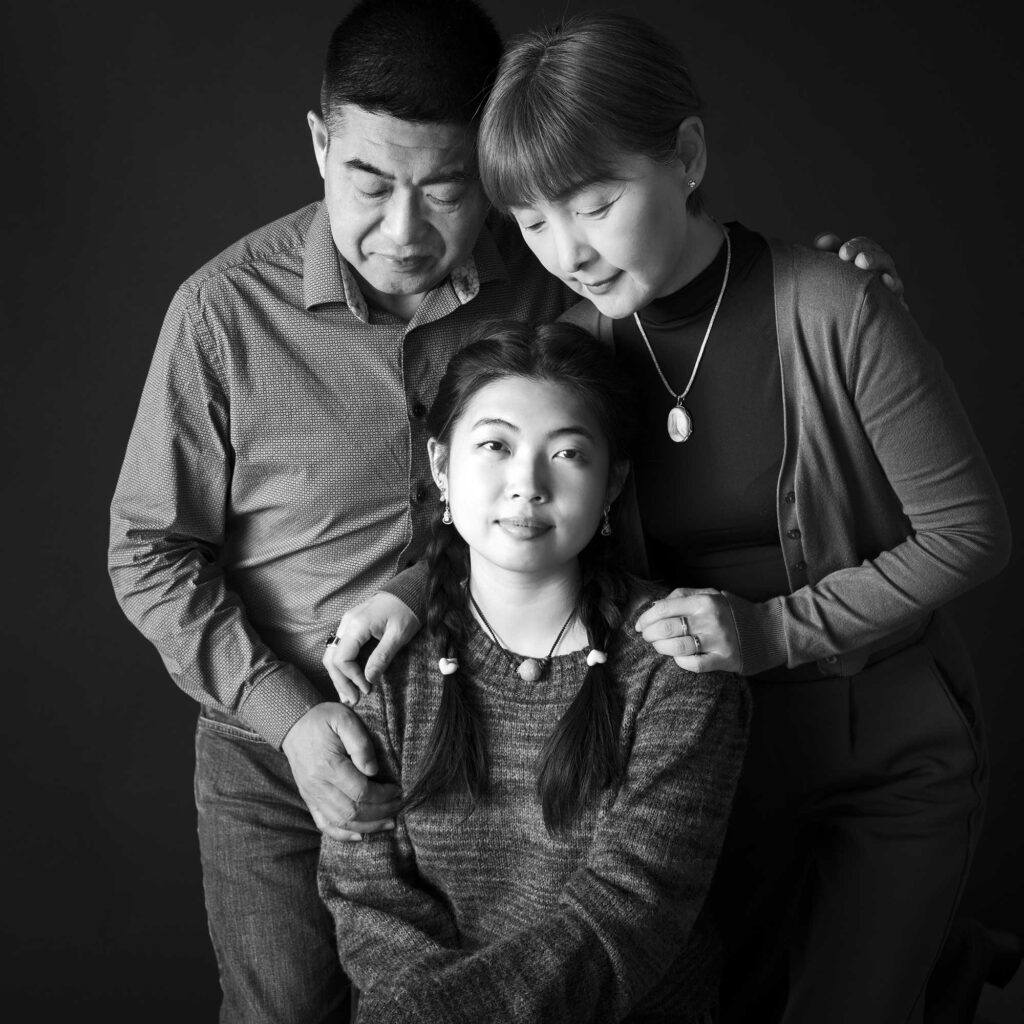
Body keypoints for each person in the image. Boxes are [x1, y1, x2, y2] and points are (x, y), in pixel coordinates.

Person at [107, 0, 902, 1018]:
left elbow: (707, 299)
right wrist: (293, 717)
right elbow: (148, 554)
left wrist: (847, 300)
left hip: (491, 731)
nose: (402, 229)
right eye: (368, 182)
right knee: (287, 1007)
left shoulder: (559, 279)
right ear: (318, 144)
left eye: (445, 190)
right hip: (277, 729)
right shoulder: (221, 314)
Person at [325, 11, 1011, 1024]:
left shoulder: (836, 308)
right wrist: (407, 586)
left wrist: (770, 631)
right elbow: (526, 498)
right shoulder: (582, 340)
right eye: (531, 222)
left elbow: (971, 533)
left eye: (597, 204)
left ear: (686, 157)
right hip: (704, 751)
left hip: (879, 743)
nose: (568, 250)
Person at [318, 319, 750, 1023]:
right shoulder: (391, 659)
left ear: (612, 482)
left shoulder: (677, 661)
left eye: (569, 454)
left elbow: (629, 915)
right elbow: (367, 895)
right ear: (440, 468)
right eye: (494, 446)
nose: (527, 484)